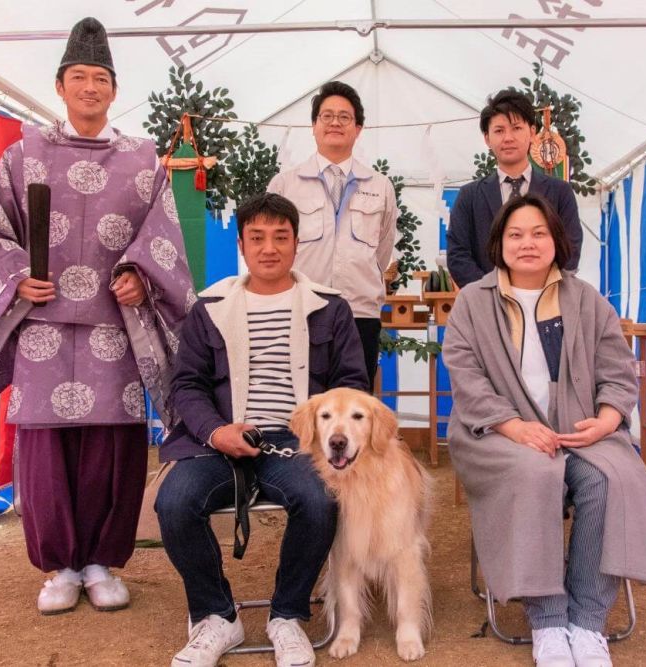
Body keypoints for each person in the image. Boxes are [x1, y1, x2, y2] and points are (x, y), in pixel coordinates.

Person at [0, 17, 193, 615]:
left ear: (113, 89)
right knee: (46, 450)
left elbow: (163, 240)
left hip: (113, 326)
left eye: (100, 78)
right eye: (78, 77)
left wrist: (138, 277)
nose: (89, 88)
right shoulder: (22, 155)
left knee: (111, 445)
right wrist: (12, 275)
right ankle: (58, 566)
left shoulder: (143, 162)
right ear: (60, 86)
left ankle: (102, 560)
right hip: (43, 326)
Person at [443, 193, 646, 667]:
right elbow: (465, 376)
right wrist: (513, 426)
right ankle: (548, 621)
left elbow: (618, 370)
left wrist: (608, 419)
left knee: (612, 479)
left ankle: (587, 623)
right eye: (515, 234)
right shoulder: (472, 302)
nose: (527, 243)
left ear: (557, 240)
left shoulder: (586, 299)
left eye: (538, 233)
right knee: (536, 473)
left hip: (579, 430)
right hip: (496, 435)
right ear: (499, 243)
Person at [156, 192, 368, 667]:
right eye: (257, 237)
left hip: (299, 441)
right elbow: (185, 385)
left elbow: (352, 385)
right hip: (217, 439)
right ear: (242, 244)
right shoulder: (209, 306)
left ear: (297, 243)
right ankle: (216, 615)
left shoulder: (329, 308)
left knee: (319, 499)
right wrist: (216, 431)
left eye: (280, 237)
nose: (269, 248)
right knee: (174, 502)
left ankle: (287, 616)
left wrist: (320, 430)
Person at [268, 81, 397, 385]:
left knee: (354, 408)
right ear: (313, 126)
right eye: (327, 116)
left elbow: (382, 250)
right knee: (299, 404)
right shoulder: (285, 185)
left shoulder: (380, 186)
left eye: (344, 117)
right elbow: (273, 251)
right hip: (300, 311)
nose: (335, 123)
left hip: (360, 315)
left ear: (358, 128)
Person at [447, 90, 583, 287]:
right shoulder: (469, 196)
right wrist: (491, 292)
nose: (508, 138)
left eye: (516, 128)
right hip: (487, 306)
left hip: (547, 302)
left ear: (532, 132)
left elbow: (570, 249)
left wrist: (541, 290)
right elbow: (458, 254)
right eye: (499, 130)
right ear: (487, 138)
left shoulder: (560, 192)